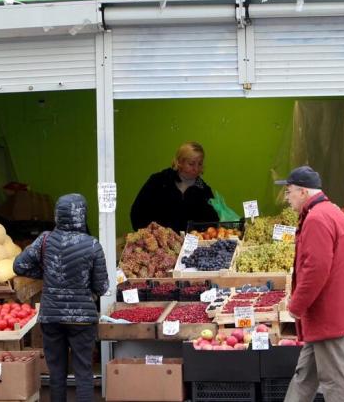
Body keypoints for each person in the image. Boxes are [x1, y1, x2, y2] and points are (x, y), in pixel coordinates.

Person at [276, 166, 344, 402]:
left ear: (303, 192)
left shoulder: (316, 219)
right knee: (305, 375)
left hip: (326, 313)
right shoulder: (331, 212)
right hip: (329, 311)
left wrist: (296, 305)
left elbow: (315, 269)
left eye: (289, 191)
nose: (287, 198)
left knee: (335, 381)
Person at [13, 194, 109, 402]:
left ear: (58, 215)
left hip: (51, 317)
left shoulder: (45, 239)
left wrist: (48, 274)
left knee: (56, 374)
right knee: (84, 373)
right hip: (82, 319)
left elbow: (19, 265)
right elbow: (102, 287)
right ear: (82, 215)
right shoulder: (92, 245)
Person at [130, 141, 219, 232]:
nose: (196, 169)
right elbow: (138, 212)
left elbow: (212, 225)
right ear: (179, 162)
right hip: (157, 242)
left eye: (200, 164)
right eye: (191, 164)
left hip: (192, 244)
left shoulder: (204, 191)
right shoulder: (158, 181)